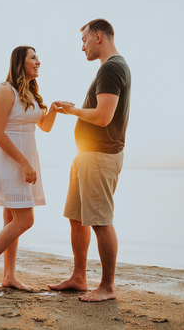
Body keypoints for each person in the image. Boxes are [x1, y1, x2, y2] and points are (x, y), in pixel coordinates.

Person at [48, 19, 131, 302]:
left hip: (99, 154)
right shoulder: (110, 68)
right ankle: (79, 278)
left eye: (84, 40)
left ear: (98, 37)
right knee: (77, 218)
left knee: (100, 222)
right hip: (86, 154)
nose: (81, 47)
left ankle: (107, 287)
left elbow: (103, 117)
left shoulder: (111, 68)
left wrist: (73, 111)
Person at [0, 46, 59, 292]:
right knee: (24, 219)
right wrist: (23, 163)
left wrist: (52, 108)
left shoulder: (30, 93)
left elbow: (45, 126)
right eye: (33, 57)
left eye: (38, 57)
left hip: (27, 159)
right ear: (19, 62)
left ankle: (9, 276)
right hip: (12, 161)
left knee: (12, 218)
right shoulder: (5, 90)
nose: (38, 61)